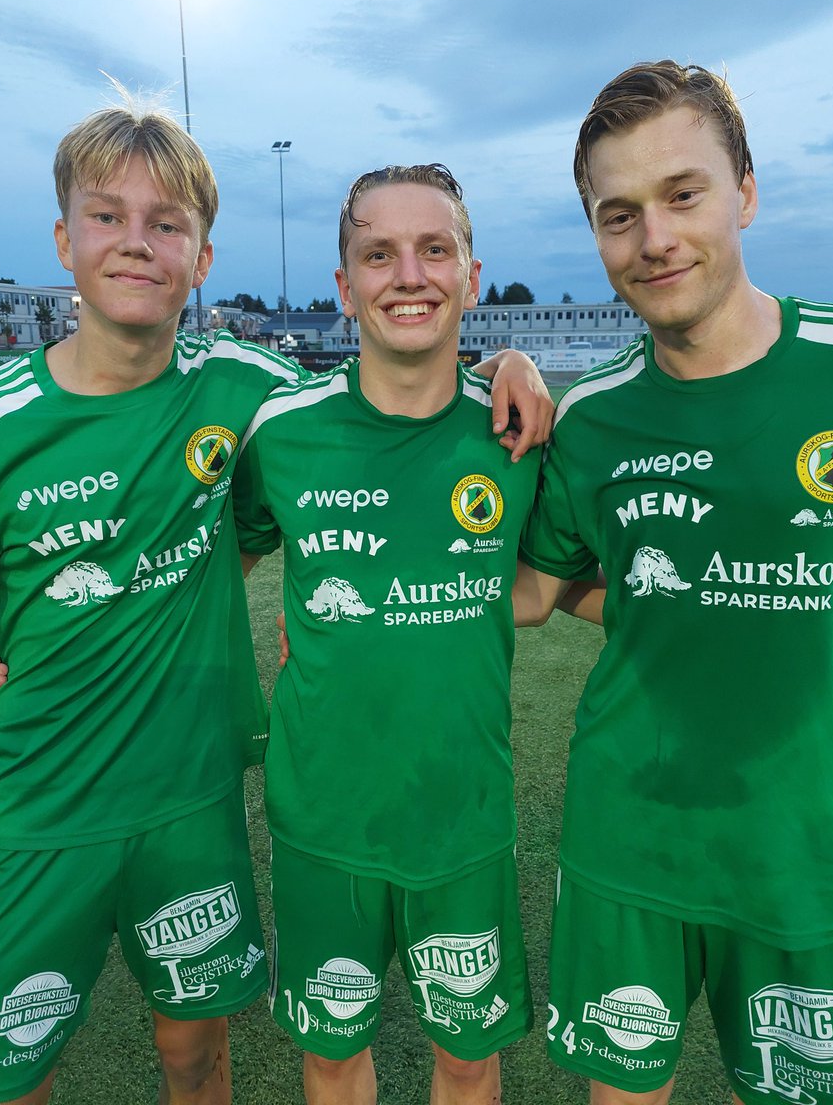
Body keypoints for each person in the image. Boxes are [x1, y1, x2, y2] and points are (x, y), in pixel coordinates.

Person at [0, 94, 549, 1105]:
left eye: (167, 224)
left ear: (203, 257)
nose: (136, 245)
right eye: (107, 217)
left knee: (199, 1055)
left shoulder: (251, 391)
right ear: (62, 237)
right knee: (4, 1075)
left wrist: (511, 360)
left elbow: (404, 408)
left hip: (205, 804)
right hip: (40, 811)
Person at [514, 61, 833, 1104]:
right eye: (619, 215)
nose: (653, 238)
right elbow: (536, 586)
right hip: (635, 842)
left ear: (746, 191)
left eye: (683, 194)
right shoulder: (595, 416)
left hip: (815, 850)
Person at [230, 164, 596, 1105]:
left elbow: (534, 588)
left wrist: (509, 363)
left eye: (435, 249)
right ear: (345, 287)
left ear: (472, 275)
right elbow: (212, 568)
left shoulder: (521, 434)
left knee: (469, 1059)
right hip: (321, 822)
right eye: (379, 254)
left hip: (462, 819)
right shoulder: (280, 433)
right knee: (332, 1055)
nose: (410, 274)